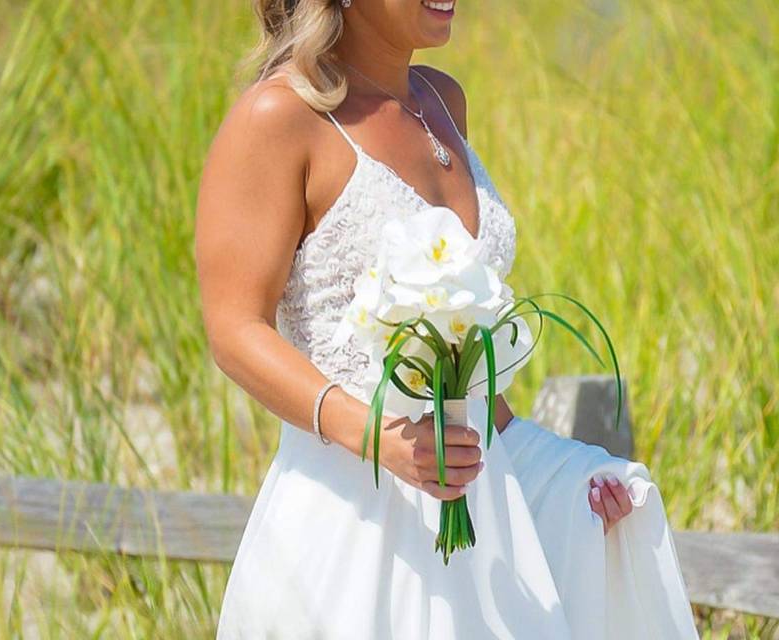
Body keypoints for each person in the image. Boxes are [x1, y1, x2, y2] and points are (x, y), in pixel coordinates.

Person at [195, 1, 698, 637]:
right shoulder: (280, 117)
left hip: (484, 543)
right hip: (349, 540)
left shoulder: (443, 102)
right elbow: (235, 330)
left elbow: (465, 375)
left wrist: (567, 474)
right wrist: (379, 440)